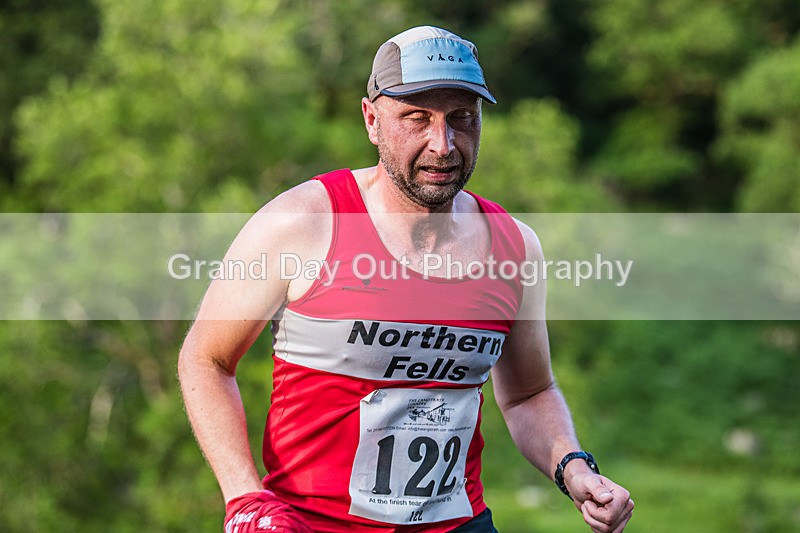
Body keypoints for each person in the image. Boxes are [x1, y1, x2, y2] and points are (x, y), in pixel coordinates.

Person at [178, 26, 634, 533]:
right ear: (372, 120)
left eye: (461, 118)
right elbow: (206, 359)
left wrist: (574, 467)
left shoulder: (515, 246)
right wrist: (245, 499)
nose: (443, 144)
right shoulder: (302, 222)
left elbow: (530, 392)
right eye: (417, 118)